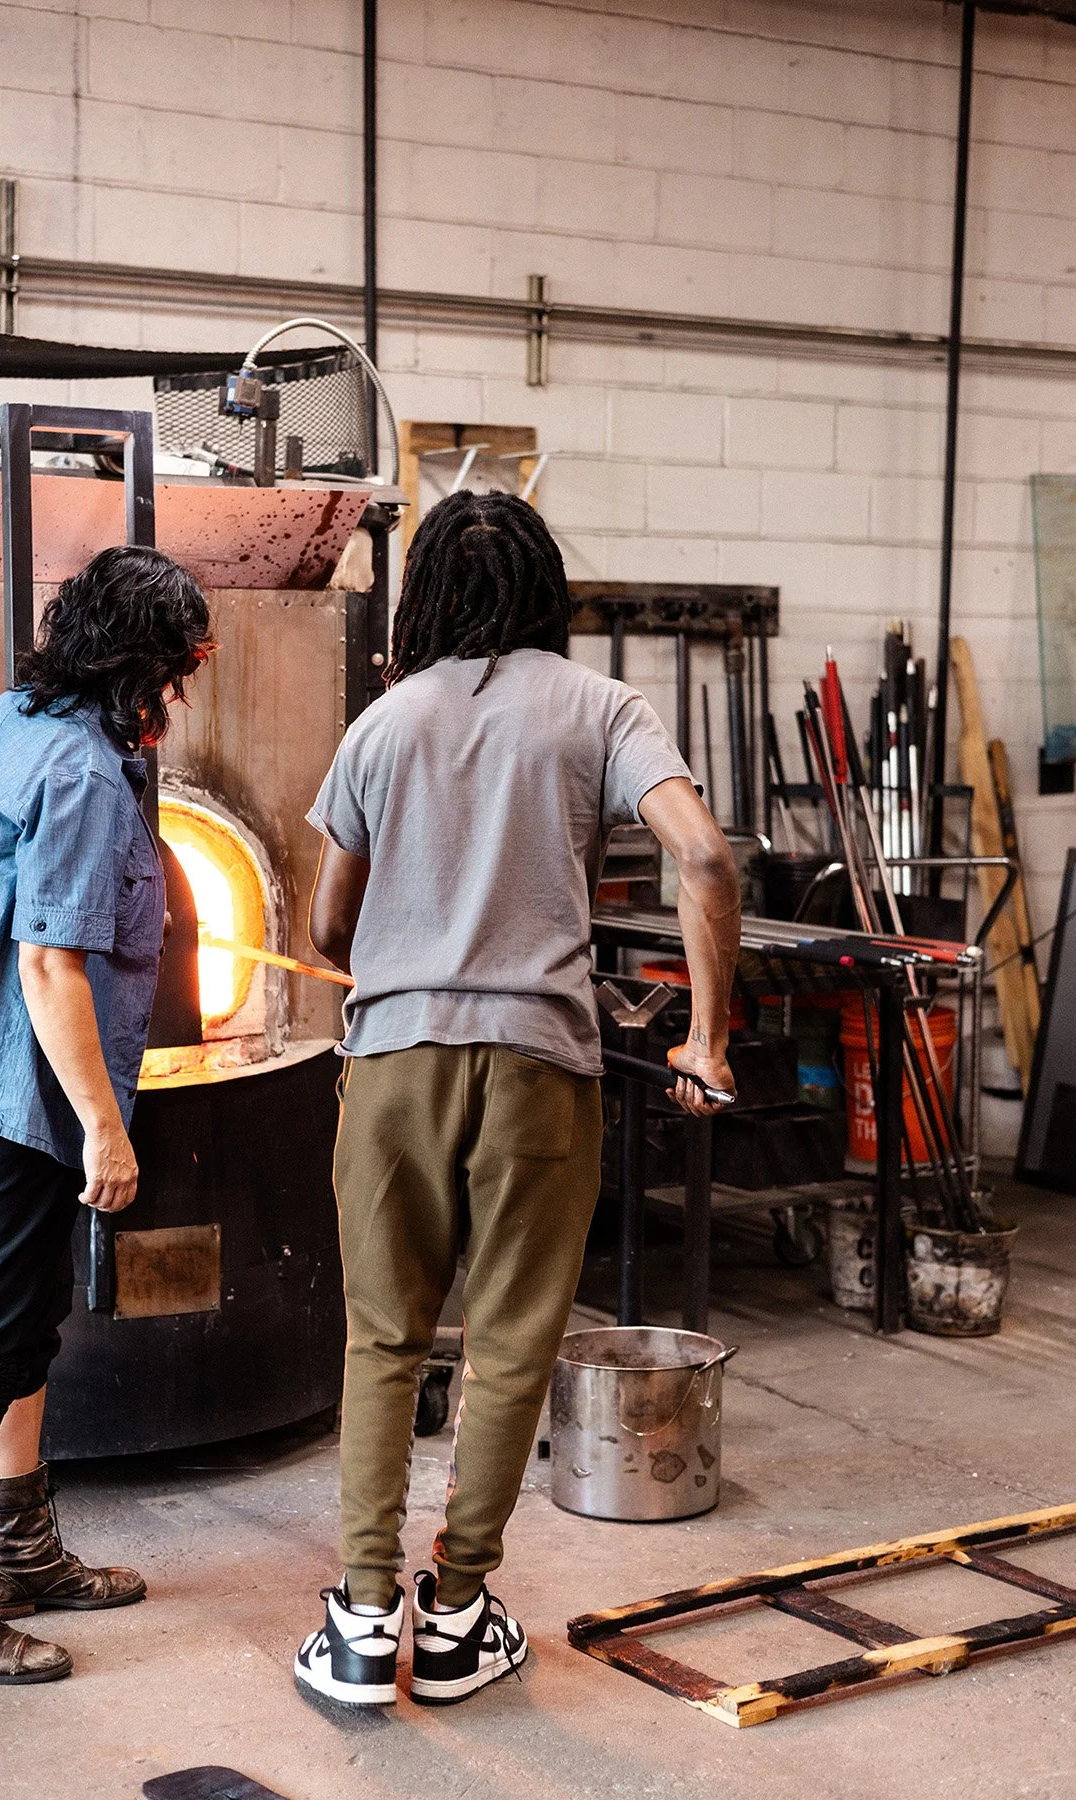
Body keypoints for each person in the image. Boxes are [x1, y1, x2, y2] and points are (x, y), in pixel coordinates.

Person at [295, 490, 740, 1709]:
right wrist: (705, 1036)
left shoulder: (383, 724)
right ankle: (454, 1619)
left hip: (396, 1065)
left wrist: (411, 938)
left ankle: (361, 1623)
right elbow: (705, 856)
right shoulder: (604, 709)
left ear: (427, 596)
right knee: (507, 1347)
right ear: (546, 591)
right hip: (541, 1063)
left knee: (384, 1340)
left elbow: (328, 926)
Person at [0, 545, 214, 1685]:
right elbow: (50, 965)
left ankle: (17, 1547)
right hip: (3, 1085)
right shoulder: (79, 774)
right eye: (179, 667)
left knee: (23, 1319)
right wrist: (106, 1129)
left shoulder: (11, 717)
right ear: (143, 664)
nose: (182, 690)